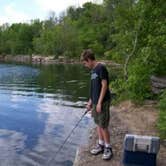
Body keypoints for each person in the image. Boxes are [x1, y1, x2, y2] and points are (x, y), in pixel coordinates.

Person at [81, 49, 113, 160]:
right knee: (98, 123)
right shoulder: (93, 71)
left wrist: (99, 102)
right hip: (95, 102)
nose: (85, 65)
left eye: (85, 63)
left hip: (102, 102)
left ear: (89, 60)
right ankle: (101, 144)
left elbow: (104, 86)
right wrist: (90, 102)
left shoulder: (101, 68)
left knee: (103, 125)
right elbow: (94, 88)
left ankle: (108, 147)